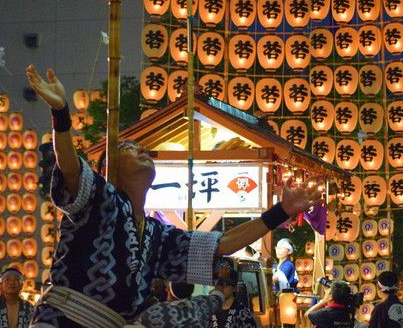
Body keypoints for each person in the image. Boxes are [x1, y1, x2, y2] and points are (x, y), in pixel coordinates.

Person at [26, 65, 322, 328]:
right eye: (129, 149)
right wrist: (61, 115)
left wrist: (281, 210)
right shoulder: (100, 200)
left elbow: (223, 243)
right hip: (62, 319)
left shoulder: (158, 235)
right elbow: (70, 166)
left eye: (141, 148)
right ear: (108, 170)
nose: (141, 150)